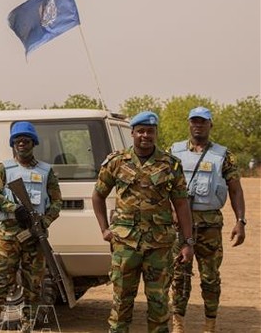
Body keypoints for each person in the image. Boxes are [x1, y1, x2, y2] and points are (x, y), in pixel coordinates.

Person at [91, 111, 194, 333]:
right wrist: (104, 229)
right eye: (141, 131)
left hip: (159, 245)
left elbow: (182, 205)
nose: (145, 135)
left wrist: (187, 242)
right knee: (121, 302)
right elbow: (98, 195)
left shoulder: (170, 164)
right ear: (133, 133)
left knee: (158, 304)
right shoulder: (117, 162)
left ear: (156, 133)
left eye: (150, 131)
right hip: (125, 245)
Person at [169, 107, 246, 333]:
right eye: (194, 121)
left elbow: (236, 190)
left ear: (210, 125)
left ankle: (209, 325)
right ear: (189, 123)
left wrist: (240, 221)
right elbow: (162, 184)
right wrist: (170, 210)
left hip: (210, 226)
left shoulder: (223, 155)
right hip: (180, 226)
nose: (198, 125)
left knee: (210, 277)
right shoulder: (174, 152)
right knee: (179, 276)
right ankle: (178, 324)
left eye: (203, 122)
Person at [0, 121, 62, 333]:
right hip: (9, 235)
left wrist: (43, 222)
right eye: (18, 141)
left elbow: (56, 202)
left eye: (26, 141)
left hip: (35, 236)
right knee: (1, 280)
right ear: (13, 144)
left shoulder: (46, 171)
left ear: (33, 143)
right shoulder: (3, 169)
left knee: (34, 285)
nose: (22, 144)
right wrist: (13, 208)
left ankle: (28, 326)